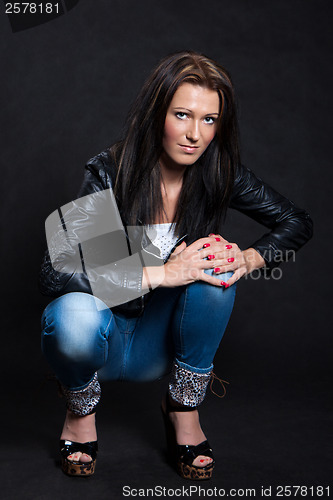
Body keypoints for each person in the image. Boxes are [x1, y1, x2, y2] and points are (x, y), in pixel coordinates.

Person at [40, 50, 313, 480]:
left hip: (157, 342)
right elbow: (55, 270)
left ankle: (183, 408)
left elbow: (296, 221)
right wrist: (162, 273)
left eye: (209, 120)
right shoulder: (110, 170)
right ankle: (80, 412)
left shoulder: (219, 173)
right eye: (182, 115)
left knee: (217, 266)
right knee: (71, 313)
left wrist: (245, 258)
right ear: (156, 114)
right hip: (100, 339)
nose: (194, 134)